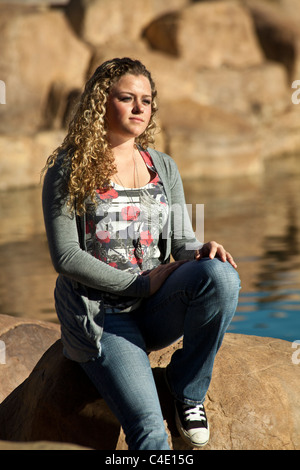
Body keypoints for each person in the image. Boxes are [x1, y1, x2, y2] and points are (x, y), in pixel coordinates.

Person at [42, 57, 240, 450]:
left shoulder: (162, 166)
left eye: (146, 101)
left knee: (221, 276)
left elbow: (181, 244)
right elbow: (65, 257)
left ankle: (188, 392)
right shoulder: (69, 168)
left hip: (154, 306)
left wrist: (201, 250)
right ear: (102, 103)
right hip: (103, 316)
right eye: (127, 98)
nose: (139, 109)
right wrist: (140, 283)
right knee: (149, 431)